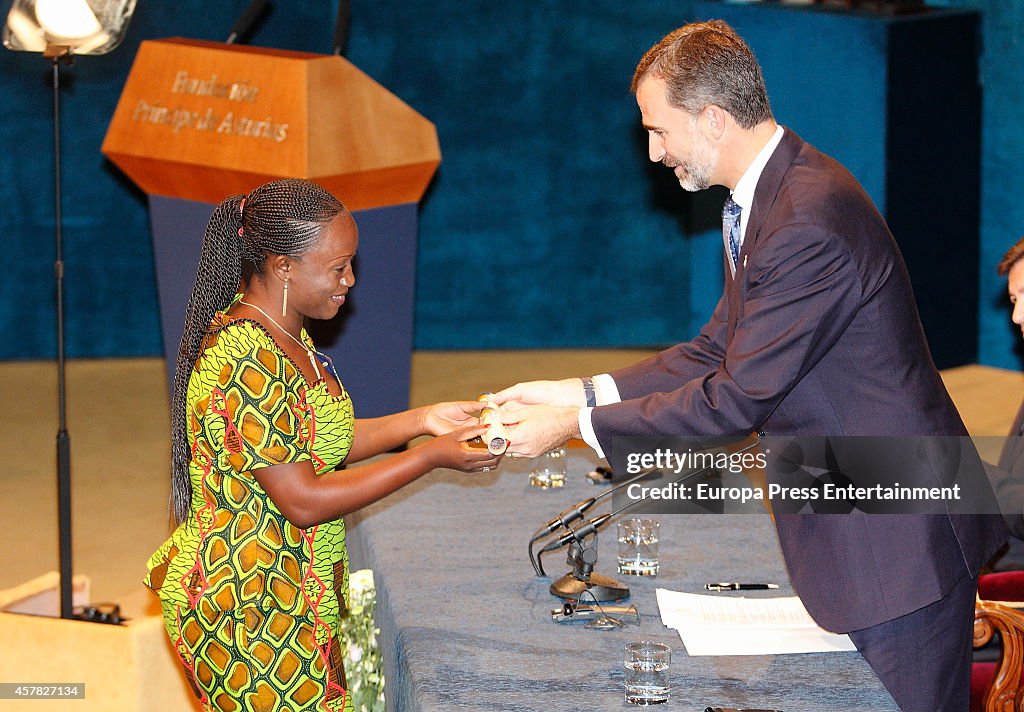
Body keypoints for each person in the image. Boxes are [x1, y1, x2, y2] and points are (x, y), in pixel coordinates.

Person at [492, 21, 1006, 711]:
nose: (652, 152)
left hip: (895, 539)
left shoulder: (806, 219)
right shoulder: (769, 195)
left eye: (658, 130)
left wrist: (573, 425)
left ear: (711, 119)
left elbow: (733, 402)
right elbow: (714, 351)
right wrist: (578, 389)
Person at [144, 179, 501, 712]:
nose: (350, 280)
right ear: (284, 265)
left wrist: (423, 420)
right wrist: (429, 457)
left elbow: (315, 444)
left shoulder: (285, 331)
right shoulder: (247, 360)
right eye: (337, 267)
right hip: (247, 609)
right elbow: (304, 499)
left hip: (292, 592)